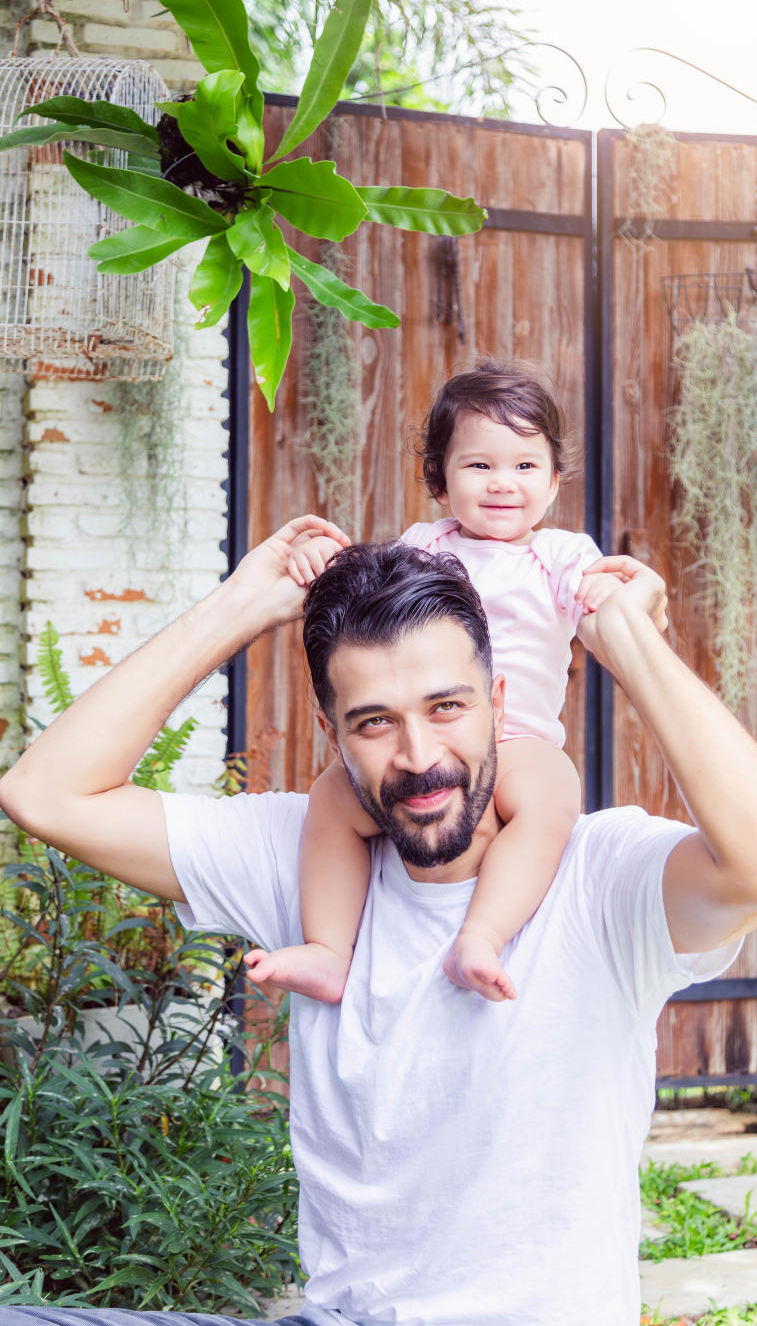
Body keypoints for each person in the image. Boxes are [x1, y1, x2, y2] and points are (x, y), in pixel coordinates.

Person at [0, 516, 757, 1326]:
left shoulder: (598, 880)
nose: (419, 756)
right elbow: (46, 794)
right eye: (374, 722)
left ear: (498, 704)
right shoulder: (310, 858)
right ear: (334, 732)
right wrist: (240, 607)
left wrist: (632, 645)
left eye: (446, 707)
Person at [245, 361, 631, 1006]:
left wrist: (617, 593)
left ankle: (481, 935)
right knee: (331, 799)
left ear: (556, 479)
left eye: (526, 466)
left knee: (553, 800)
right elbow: (365, 590)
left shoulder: (563, 556)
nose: (503, 483)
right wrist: (317, 563)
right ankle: (329, 950)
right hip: (427, 725)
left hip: (517, 740)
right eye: (479, 466)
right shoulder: (426, 544)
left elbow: (601, 598)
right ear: (441, 481)